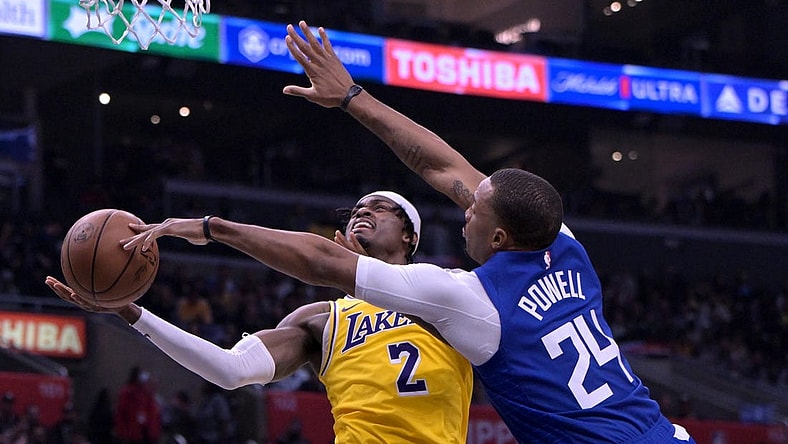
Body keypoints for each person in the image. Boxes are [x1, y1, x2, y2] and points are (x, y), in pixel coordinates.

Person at [87, 21, 695, 444]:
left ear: (410, 236)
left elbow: (328, 257)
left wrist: (212, 227)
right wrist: (352, 96)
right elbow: (446, 169)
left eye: (475, 211)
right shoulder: (564, 245)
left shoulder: (460, 296)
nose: (465, 206)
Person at [45, 190, 473, 443]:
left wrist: (213, 228)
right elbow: (231, 370)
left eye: (380, 208)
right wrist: (130, 312)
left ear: (409, 236)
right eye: (357, 208)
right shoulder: (322, 320)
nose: (363, 211)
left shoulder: (451, 289)